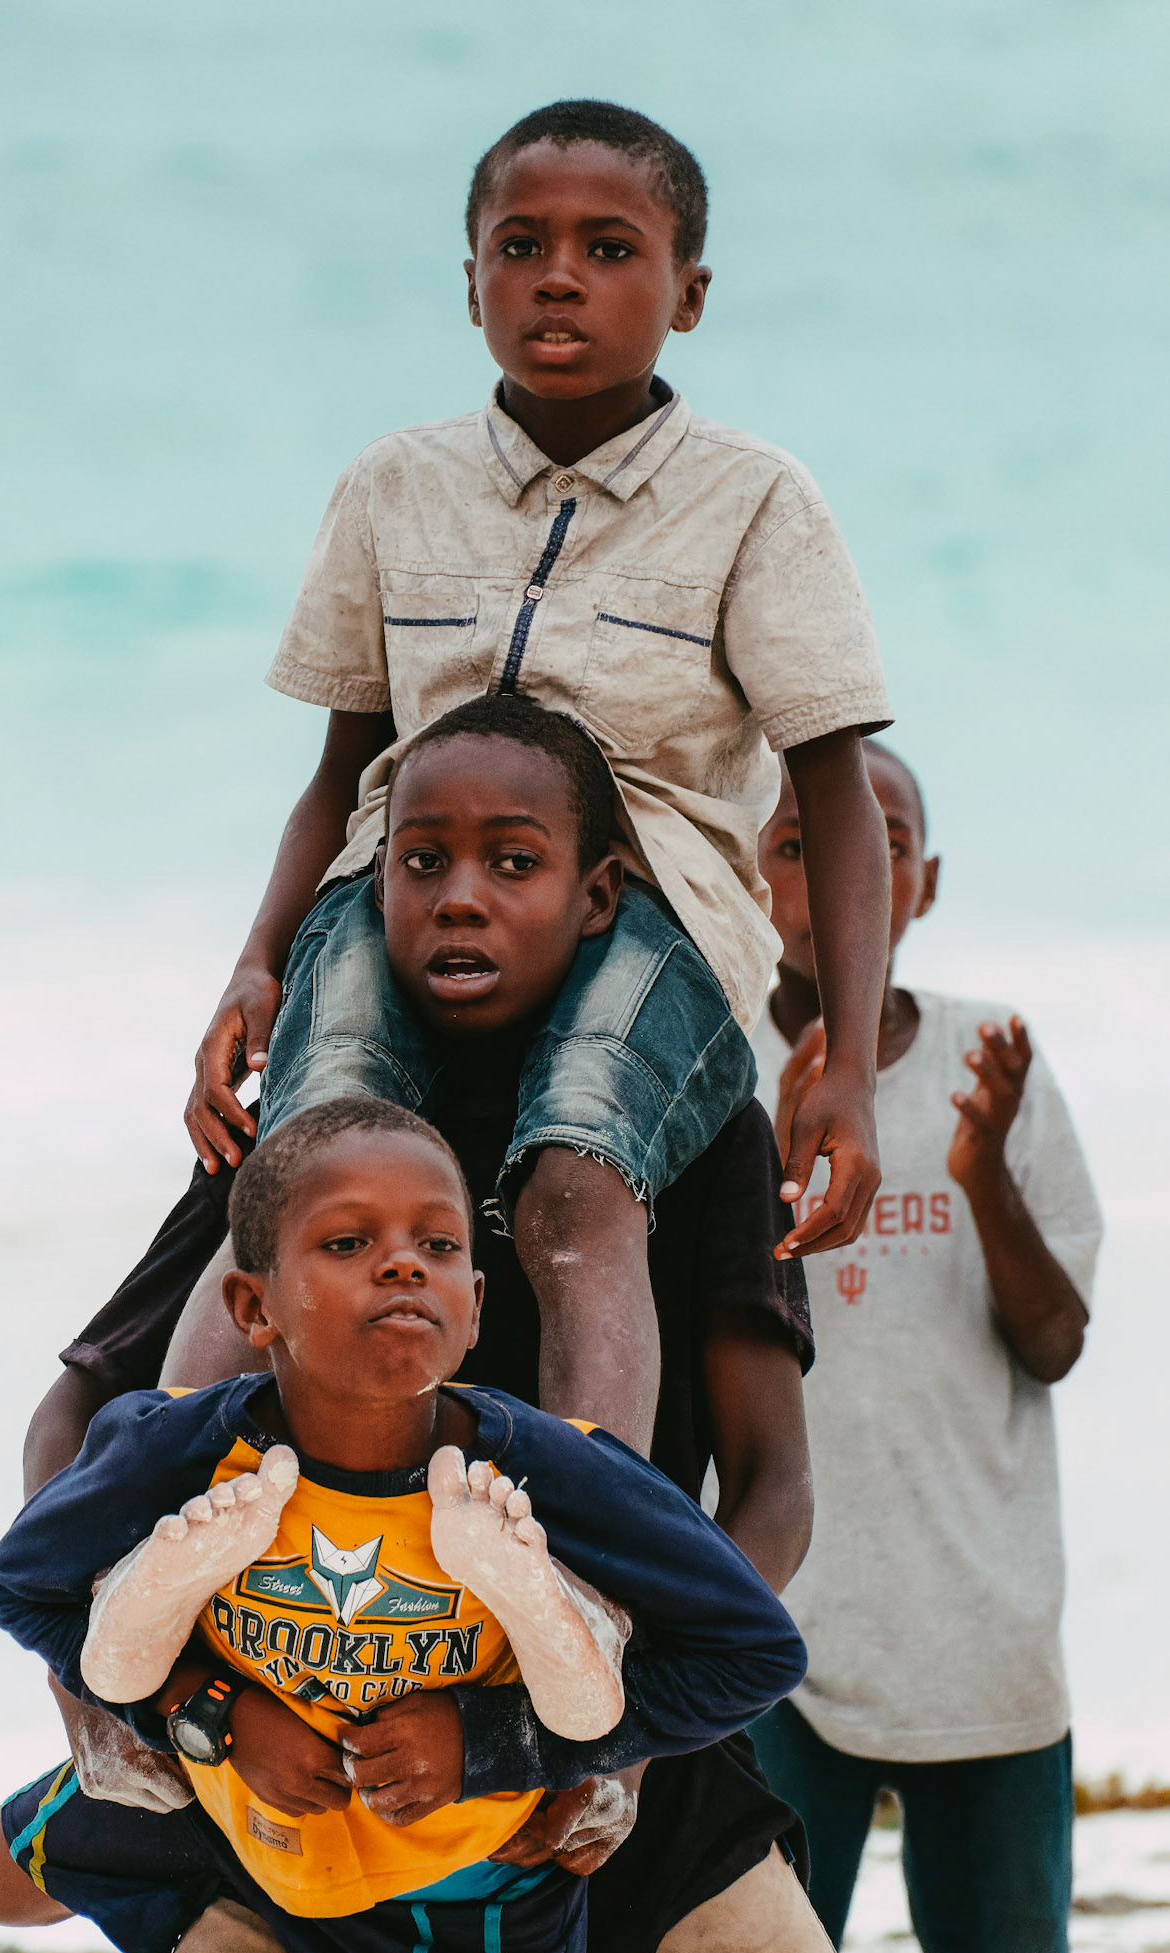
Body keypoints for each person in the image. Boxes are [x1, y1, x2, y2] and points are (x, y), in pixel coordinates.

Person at [0, 697, 880, 1953]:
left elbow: (774, 1491)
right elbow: (77, 1421)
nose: (461, 901)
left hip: (620, 1811)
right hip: (316, 1798)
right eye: (421, 864)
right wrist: (184, 1706)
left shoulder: (688, 1124)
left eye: (511, 864)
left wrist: (578, 1736)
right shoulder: (292, 1133)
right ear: (373, 880)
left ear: (598, 901)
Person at [181, 96, 895, 1448]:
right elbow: (342, 769)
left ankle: (575, 1521)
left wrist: (842, 1063)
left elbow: (834, 794)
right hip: (398, 893)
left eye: (611, 248)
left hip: (653, 911)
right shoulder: (394, 484)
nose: (559, 275)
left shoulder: (756, 503)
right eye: (519, 246)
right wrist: (256, 958)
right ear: (470, 286)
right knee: (303, 1168)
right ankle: (173, 1487)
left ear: (687, 293)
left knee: (575, 1184)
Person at [0, 1098, 808, 1953]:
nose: (403, 1262)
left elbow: (752, 1654)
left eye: (439, 1245)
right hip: (238, 1794)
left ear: (476, 1305)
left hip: (466, 1886)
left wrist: (493, 1744)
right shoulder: (177, 1451)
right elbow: (21, 1586)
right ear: (254, 1307)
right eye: (346, 1243)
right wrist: (206, 1714)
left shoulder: (551, 1473)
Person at [749, 742, 1103, 1953]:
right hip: (779, 1646)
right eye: (795, 842)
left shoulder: (987, 1063)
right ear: (748, 879)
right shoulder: (710, 1064)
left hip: (982, 1637)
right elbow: (684, 1354)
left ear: (926, 881)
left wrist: (980, 1173)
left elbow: (1055, 1339)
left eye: (884, 837)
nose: (845, 862)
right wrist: (770, 1169)